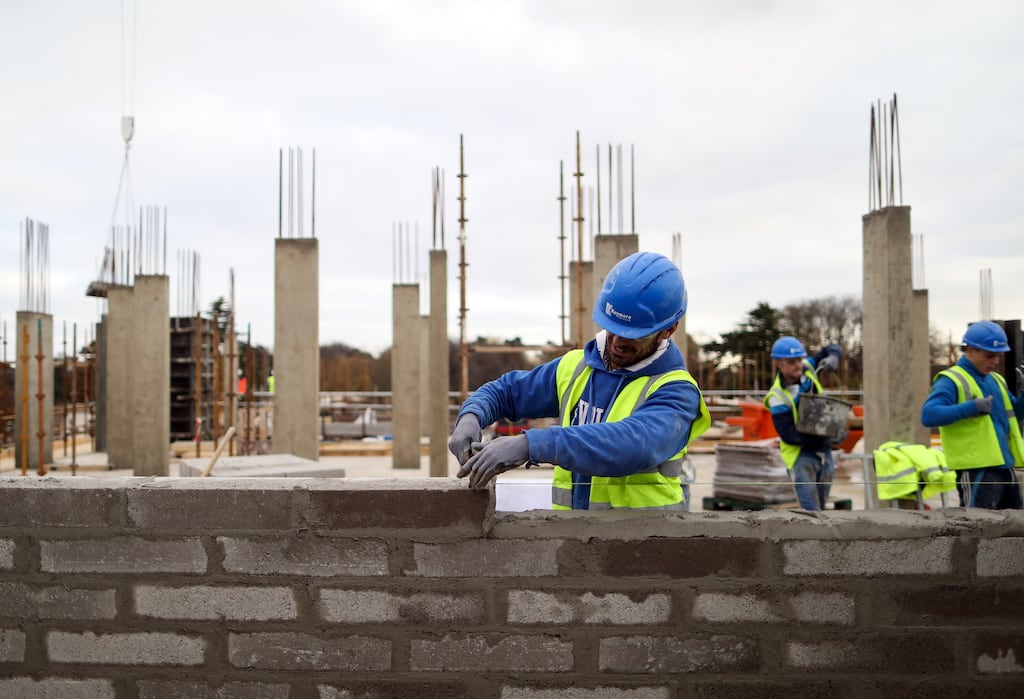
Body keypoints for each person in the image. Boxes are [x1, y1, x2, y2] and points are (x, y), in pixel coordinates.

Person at [448, 251, 710, 510]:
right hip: (575, 545)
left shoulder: (676, 392)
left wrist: (531, 445)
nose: (618, 343)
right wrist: (471, 415)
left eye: (635, 335)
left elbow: (631, 446)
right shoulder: (575, 367)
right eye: (613, 328)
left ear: (669, 329)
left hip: (646, 544)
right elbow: (507, 391)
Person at [920, 321, 1024, 509]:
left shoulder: (996, 380)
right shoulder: (952, 380)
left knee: (1015, 530)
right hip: (976, 470)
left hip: (1004, 466)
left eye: (998, 356)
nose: (994, 361)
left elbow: (1013, 416)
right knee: (977, 529)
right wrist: (971, 408)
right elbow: (928, 415)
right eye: (989, 356)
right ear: (970, 351)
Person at [763, 336, 843, 510]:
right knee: (811, 511)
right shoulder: (778, 397)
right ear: (778, 363)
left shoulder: (808, 368)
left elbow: (832, 347)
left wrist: (833, 357)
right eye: (791, 362)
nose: (798, 365)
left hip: (823, 451)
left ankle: (823, 536)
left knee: (822, 506)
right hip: (801, 456)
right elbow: (789, 435)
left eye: (799, 359)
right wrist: (825, 438)